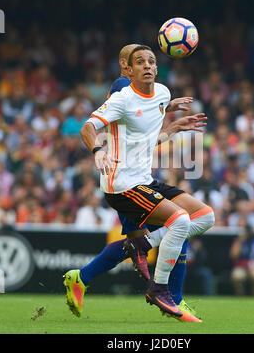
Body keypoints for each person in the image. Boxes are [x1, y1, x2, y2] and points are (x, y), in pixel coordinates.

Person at [65, 45, 215, 322]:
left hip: (144, 181)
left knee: (203, 217)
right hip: (122, 185)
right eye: (138, 61)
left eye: (151, 61)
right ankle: (166, 294)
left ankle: (84, 277)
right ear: (126, 68)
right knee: (177, 225)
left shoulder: (161, 93)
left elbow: (145, 135)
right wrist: (98, 151)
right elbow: (90, 127)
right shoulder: (121, 96)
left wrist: (170, 124)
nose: (146, 65)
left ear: (158, 68)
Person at [230, 224, 254, 296]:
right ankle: (240, 297)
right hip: (240, 267)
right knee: (237, 276)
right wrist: (239, 241)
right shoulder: (239, 240)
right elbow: (233, 255)